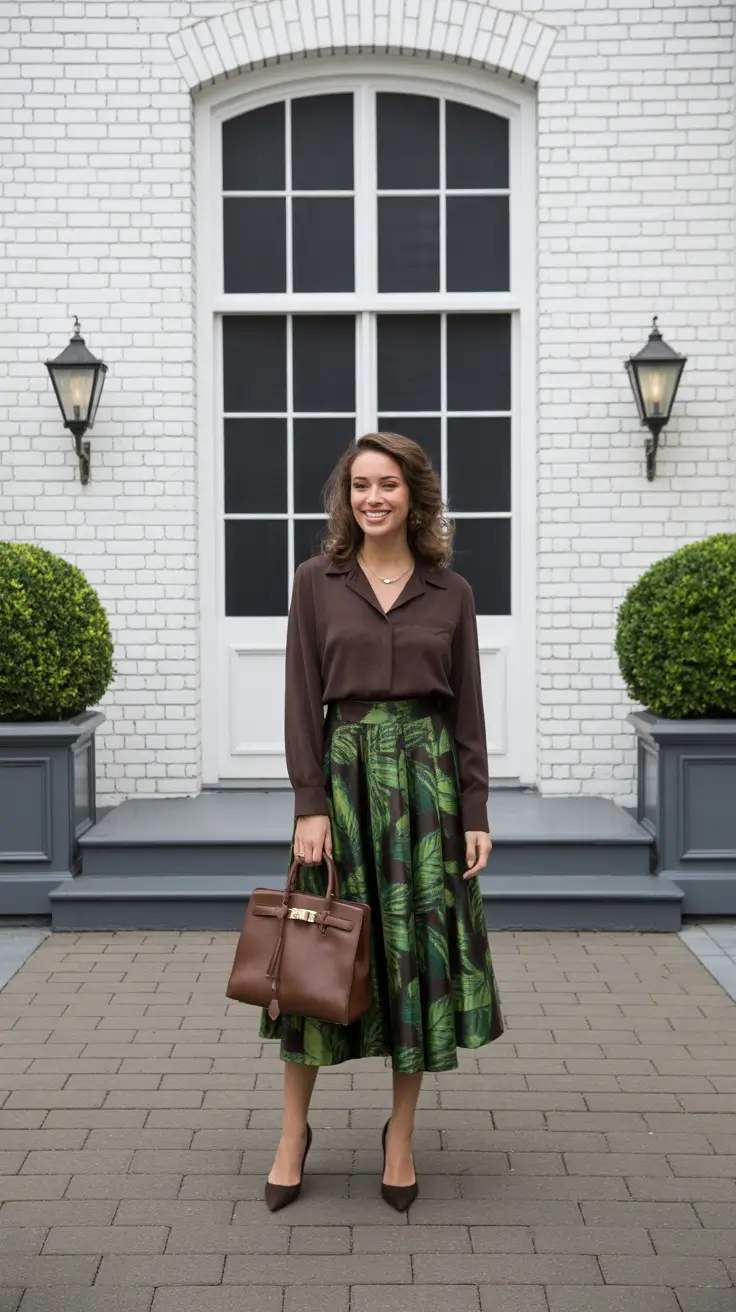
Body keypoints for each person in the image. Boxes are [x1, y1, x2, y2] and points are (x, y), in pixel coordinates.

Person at [260, 431, 504, 1213]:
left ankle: (399, 1136)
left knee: (412, 964)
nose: (373, 498)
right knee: (312, 955)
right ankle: (294, 1130)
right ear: (347, 497)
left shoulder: (451, 592)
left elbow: (468, 711)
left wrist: (476, 810)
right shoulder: (317, 581)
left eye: (388, 485)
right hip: (345, 780)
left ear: (414, 495)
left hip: (427, 790)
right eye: (361, 485)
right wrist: (309, 804)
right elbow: (303, 701)